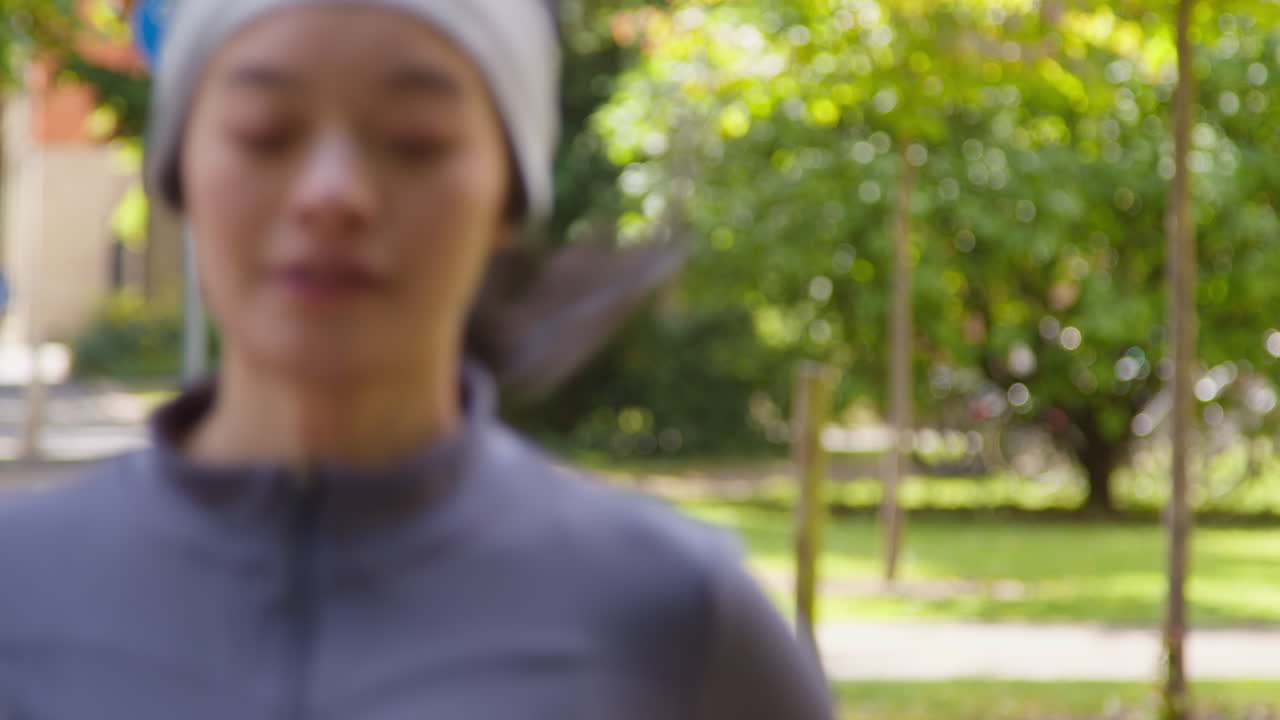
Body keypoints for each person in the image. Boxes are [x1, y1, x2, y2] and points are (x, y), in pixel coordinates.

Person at [0, 1, 834, 718]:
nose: (331, 194)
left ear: (511, 193)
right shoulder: (19, 594)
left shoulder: (677, 624)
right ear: (178, 170)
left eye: (415, 141)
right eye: (265, 134)